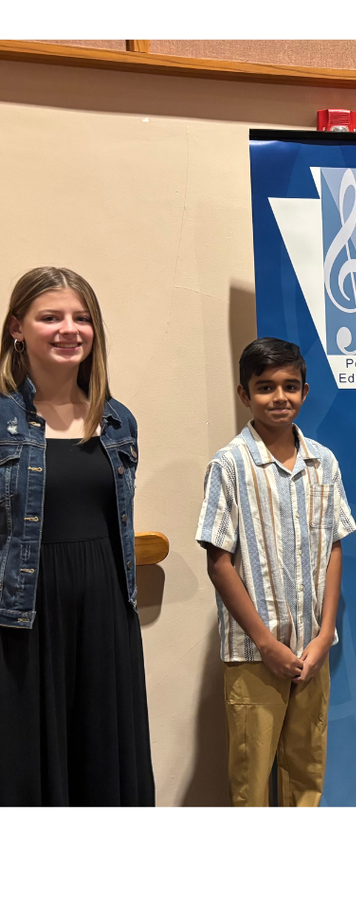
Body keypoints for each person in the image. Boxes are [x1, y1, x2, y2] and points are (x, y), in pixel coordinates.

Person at [0, 266, 154, 805]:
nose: (70, 329)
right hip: (21, 619)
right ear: (18, 327)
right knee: (23, 765)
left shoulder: (116, 422)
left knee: (102, 758)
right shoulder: (1, 419)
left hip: (106, 615)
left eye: (82, 318)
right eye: (51, 317)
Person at [196, 337, 355, 807]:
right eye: (265, 387)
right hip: (253, 654)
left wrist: (326, 633)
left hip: (311, 649)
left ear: (305, 391)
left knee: (307, 770)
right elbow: (218, 561)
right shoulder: (229, 465)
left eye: (290, 386)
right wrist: (267, 643)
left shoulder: (322, 462)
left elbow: (334, 546)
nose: (279, 397)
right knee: (251, 777)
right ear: (245, 394)